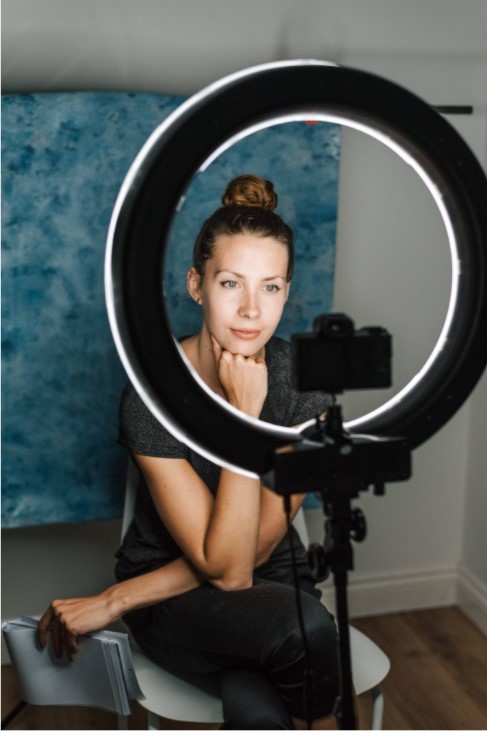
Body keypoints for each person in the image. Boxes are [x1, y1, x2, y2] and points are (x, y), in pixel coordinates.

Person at [38, 174, 339, 729]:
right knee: (307, 634)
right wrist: (245, 420)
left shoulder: (302, 387)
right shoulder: (152, 396)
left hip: (274, 581)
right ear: (196, 285)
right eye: (231, 283)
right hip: (174, 599)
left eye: (270, 287)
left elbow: (254, 552)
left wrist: (111, 601)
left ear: (287, 293)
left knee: (259, 703)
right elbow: (225, 571)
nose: (252, 310)